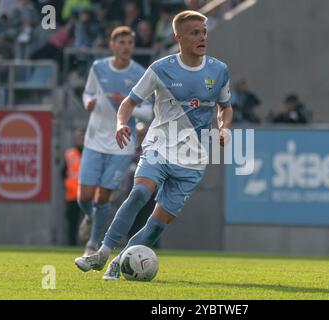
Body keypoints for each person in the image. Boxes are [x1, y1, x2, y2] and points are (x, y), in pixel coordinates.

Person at [74, 10, 233, 280]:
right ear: (178, 37)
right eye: (195, 32)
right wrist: (120, 123)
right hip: (159, 146)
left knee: (157, 225)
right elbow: (128, 104)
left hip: (193, 159)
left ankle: (120, 261)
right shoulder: (160, 68)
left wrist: (223, 127)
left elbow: (225, 107)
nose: (202, 37)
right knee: (138, 194)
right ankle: (102, 252)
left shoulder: (219, 70)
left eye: (204, 32)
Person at [76, 26, 153, 256]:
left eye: (130, 43)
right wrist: (88, 102)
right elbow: (87, 92)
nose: (126, 47)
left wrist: (128, 104)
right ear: (112, 45)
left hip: (122, 144)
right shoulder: (98, 68)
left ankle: (93, 244)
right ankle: (89, 217)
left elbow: (148, 111)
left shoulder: (140, 72)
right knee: (85, 197)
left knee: (104, 197)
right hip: (94, 139)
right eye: (122, 42)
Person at [62, 129, 85, 246]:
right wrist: (67, 185)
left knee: (88, 222)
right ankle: (71, 244)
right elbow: (63, 172)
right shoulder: (70, 154)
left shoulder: (90, 154)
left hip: (88, 194)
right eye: (79, 138)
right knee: (72, 222)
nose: (80, 140)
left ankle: (88, 245)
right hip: (73, 194)